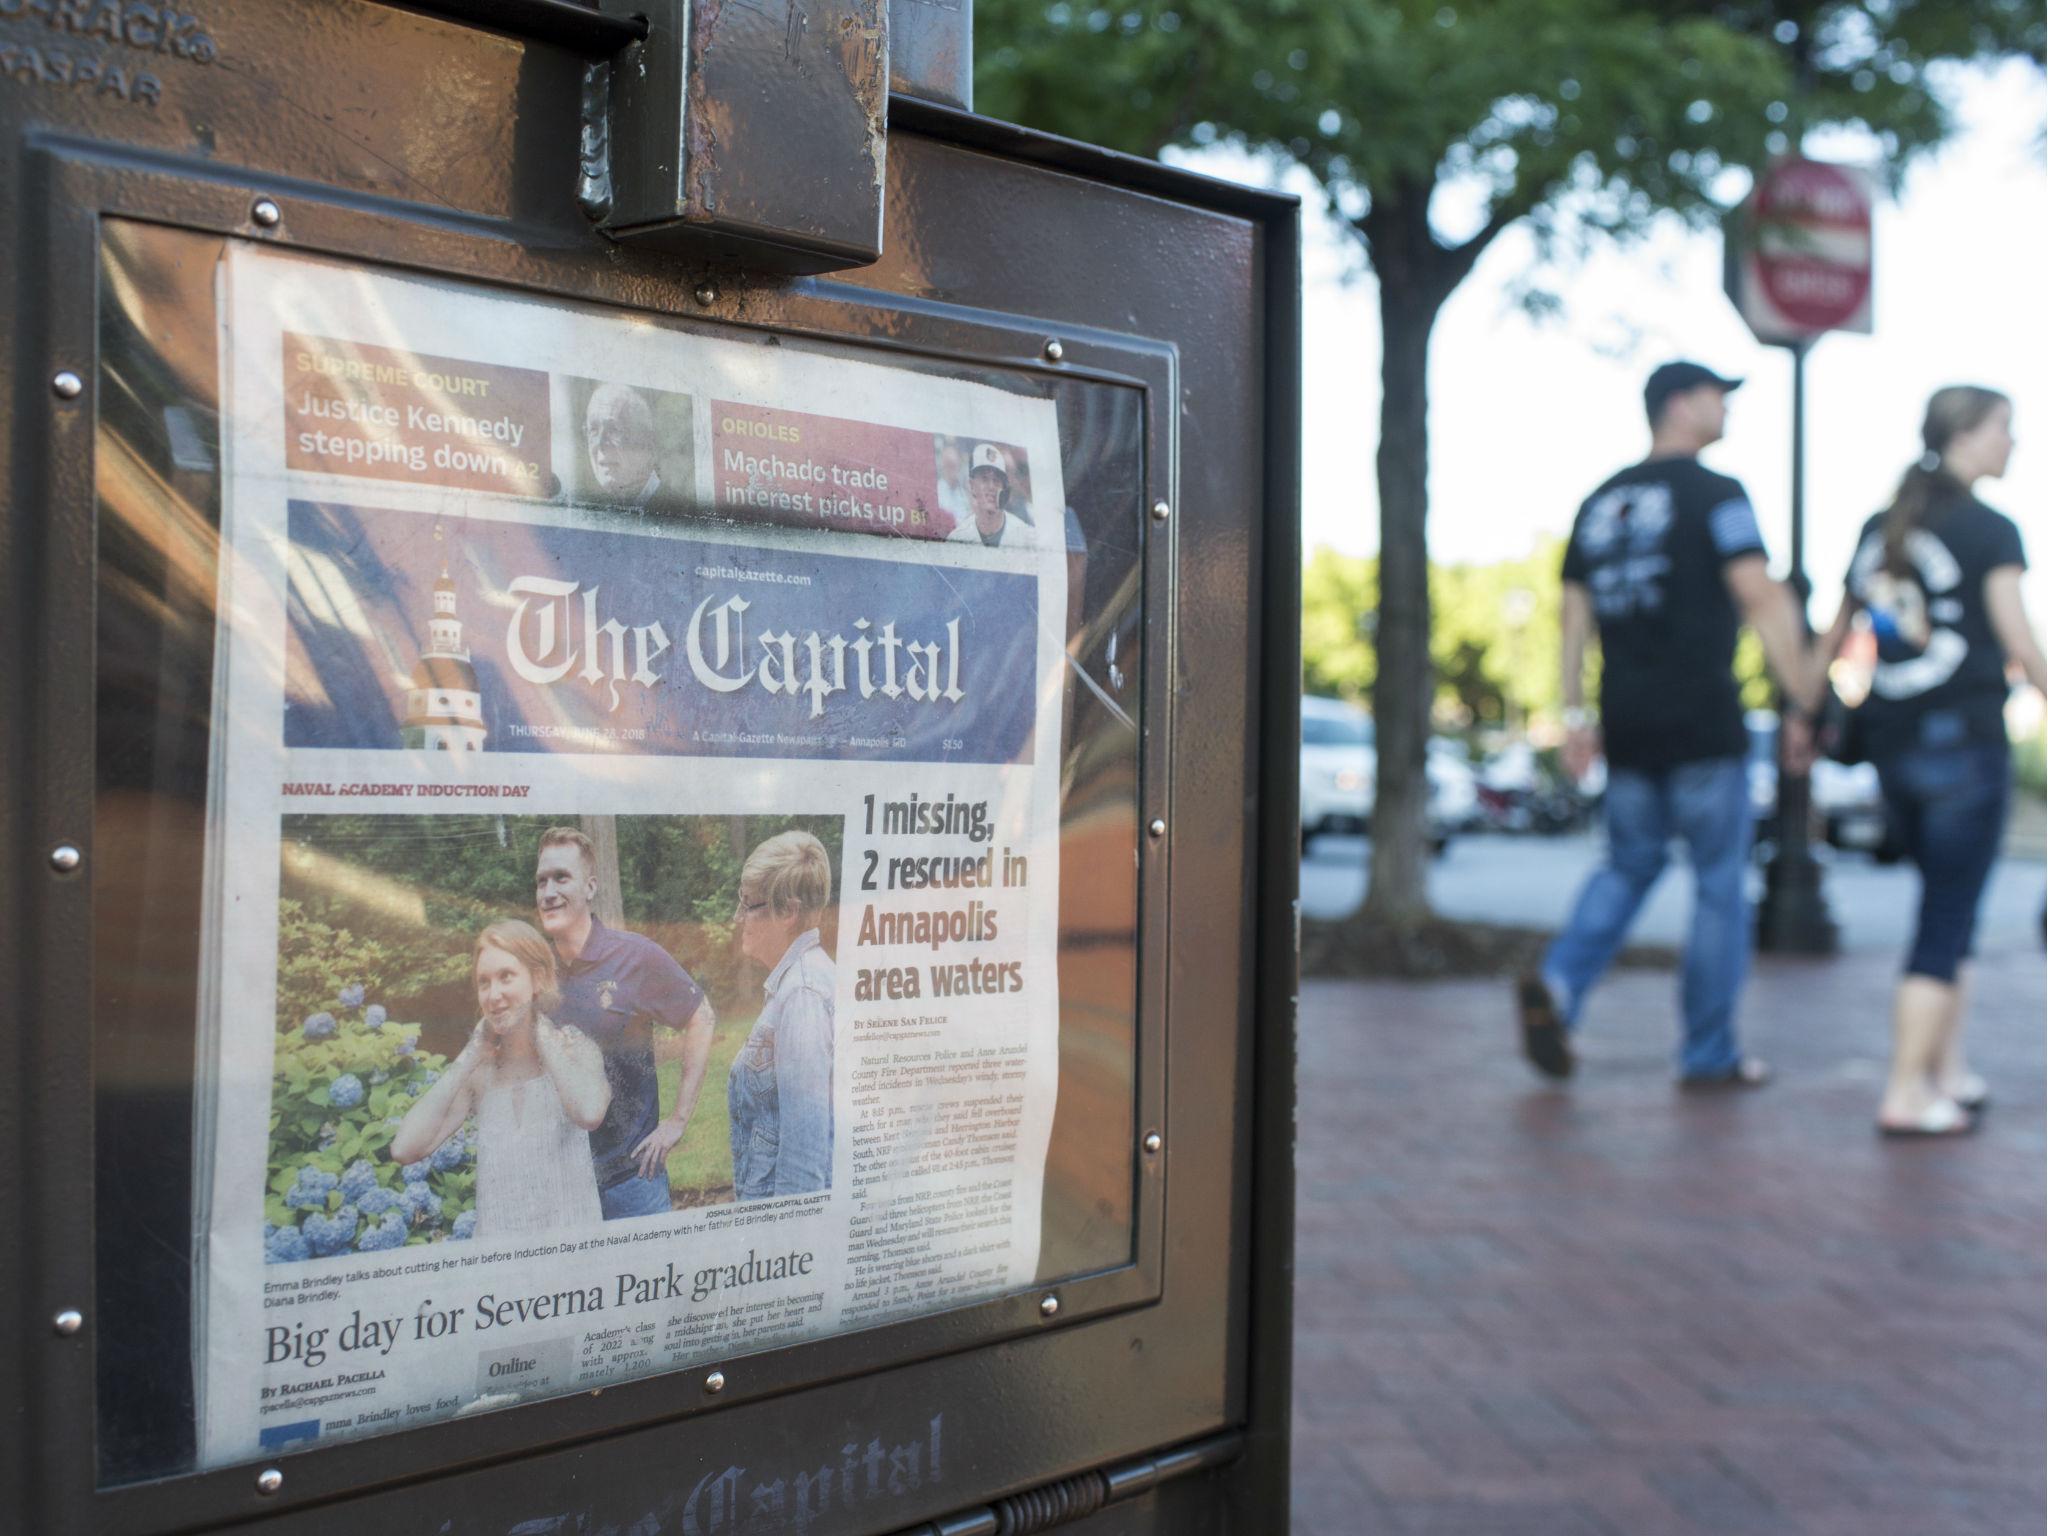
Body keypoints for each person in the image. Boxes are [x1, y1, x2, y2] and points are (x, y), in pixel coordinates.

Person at [1518, 360, 1826, 1086]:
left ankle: (1559, 989)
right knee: (1719, 883)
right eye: (1719, 396)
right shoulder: (1718, 494)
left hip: (1628, 722)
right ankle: (1709, 1052)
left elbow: (1572, 621)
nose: (1728, 410)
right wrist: (1803, 697)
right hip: (1702, 721)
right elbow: (1758, 596)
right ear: (1680, 405)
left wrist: (1574, 716)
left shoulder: (1600, 501)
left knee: (1629, 865)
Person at [1813, 386, 2044, 1137]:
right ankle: (1907, 1092)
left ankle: (1948, 1070)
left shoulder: (1885, 525)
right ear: (1968, 437)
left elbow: (1839, 632)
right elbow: (2018, 641)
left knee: (1953, 907)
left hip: (1891, 741)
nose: (2015, 442)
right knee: (1945, 918)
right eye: (2004, 429)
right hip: (1962, 743)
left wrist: (1800, 711)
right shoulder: (1989, 530)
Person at [534, 827, 717, 1218]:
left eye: (561, 878)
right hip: (561, 1188)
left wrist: (678, 1120)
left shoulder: (635, 957)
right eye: (541, 881)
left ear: (591, 887)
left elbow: (702, 1017)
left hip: (632, 1185)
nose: (548, 891)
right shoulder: (536, 973)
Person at [391, 921, 611, 1239]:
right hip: (501, 1273)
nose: (494, 995)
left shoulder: (576, 1049)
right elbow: (405, 1148)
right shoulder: (480, 1074)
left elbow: (589, 1113)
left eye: (506, 977)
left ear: (537, 979)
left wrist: (543, 1035)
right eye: (484, 983)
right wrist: (470, 1054)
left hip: (570, 1267)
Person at [728, 830, 837, 1199]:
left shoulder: (802, 995)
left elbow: (804, 1162)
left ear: (788, 911)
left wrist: (787, 1246)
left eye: (747, 904)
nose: (738, 915)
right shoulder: (794, 983)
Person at [583, 383, 679, 514]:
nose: (600, 444)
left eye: (614, 429)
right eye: (593, 430)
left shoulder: (677, 511)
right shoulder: (594, 514)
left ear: (647, 446)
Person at [946, 443, 1032, 548]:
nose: (991, 486)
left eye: (996, 481)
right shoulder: (957, 538)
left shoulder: (1025, 536)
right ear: (972, 486)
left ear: (1004, 487)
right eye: (984, 479)